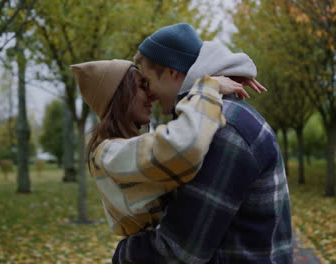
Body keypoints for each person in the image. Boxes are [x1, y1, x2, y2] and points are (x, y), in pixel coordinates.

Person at [112, 23, 293, 263]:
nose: (149, 95)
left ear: (171, 72)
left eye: (146, 82)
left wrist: (123, 253)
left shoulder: (220, 129)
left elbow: (180, 251)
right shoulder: (215, 116)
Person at [70, 59, 260, 237]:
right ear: (120, 96)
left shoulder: (117, 148)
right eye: (142, 87)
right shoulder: (108, 154)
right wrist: (207, 88)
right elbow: (182, 146)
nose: (151, 96)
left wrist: (229, 74)